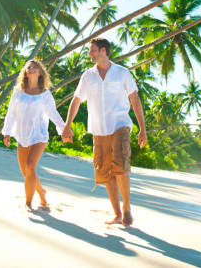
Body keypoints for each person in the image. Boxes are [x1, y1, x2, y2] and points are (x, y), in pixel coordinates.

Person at [61, 38, 147, 226]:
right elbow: (76, 100)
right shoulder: (87, 76)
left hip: (120, 125)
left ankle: (127, 210)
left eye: (92, 50)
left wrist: (142, 128)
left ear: (103, 51)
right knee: (106, 172)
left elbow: (135, 99)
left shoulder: (122, 73)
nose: (89, 54)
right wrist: (67, 125)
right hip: (98, 130)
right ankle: (117, 214)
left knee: (121, 167)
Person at [2, 59, 65, 212]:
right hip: (22, 134)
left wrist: (64, 129)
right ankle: (41, 192)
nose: (31, 68)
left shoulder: (45, 94)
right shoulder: (18, 91)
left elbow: (53, 113)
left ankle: (28, 203)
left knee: (30, 166)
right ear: (25, 72)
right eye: (29, 67)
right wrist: (7, 132)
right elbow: (11, 113)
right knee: (26, 172)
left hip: (39, 135)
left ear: (40, 72)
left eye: (35, 67)